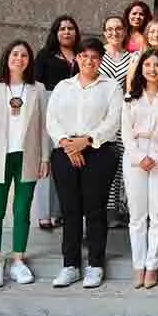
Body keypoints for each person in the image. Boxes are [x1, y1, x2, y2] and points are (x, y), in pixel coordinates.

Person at [46, 37, 122, 289]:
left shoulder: (110, 87)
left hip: (99, 152)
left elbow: (113, 121)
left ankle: (95, 265)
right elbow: (52, 119)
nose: (89, 61)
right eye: (84, 56)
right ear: (77, 58)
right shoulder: (63, 87)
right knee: (70, 211)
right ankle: (70, 265)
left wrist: (87, 140)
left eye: (94, 57)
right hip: (65, 152)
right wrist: (68, 143)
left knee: (95, 210)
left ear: (101, 60)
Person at [0, 41, 48, 288]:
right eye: (15, 54)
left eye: (24, 55)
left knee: (22, 211)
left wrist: (45, 157)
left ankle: (19, 260)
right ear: (7, 58)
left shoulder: (37, 89)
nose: (19, 58)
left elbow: (42, 127)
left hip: (26, 156)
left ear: (29, 60)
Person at [122, 49, 158, 290]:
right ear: (140, 69)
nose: (152, 69)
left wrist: (155, 156)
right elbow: (124, 131)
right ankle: (138, 265)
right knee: (137, 216)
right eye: (147, 65)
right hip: (135, 156)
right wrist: (138, 156)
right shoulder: (130, 97)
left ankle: (153, 265)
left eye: (157, 65)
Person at [34, 15, 80, 231]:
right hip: (49, 107)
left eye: (70, 28)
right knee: (46, 159)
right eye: (62, 28)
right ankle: (44, 213)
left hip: (74, 112)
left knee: (66, 160)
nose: (67, 32)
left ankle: (59, 211)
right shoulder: (45, 55)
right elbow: (36, 85)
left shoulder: (81, 55)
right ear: (56, 32)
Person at [99, 16, 133, 229]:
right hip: (100, 116)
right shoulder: (97, 55)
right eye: (110, 29)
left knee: (120, 162)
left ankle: (116, 211)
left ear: (124, 31)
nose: (114, 33)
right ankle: (101, 209)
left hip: (123, 115)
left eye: (118, 29)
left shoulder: (131, 58)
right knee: (101, 161)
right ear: (104, 33)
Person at [126, 18, 158, 90]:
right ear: (146, 35)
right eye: (152, 32)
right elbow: (130, 85)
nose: (156, 35)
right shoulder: (137, 57)